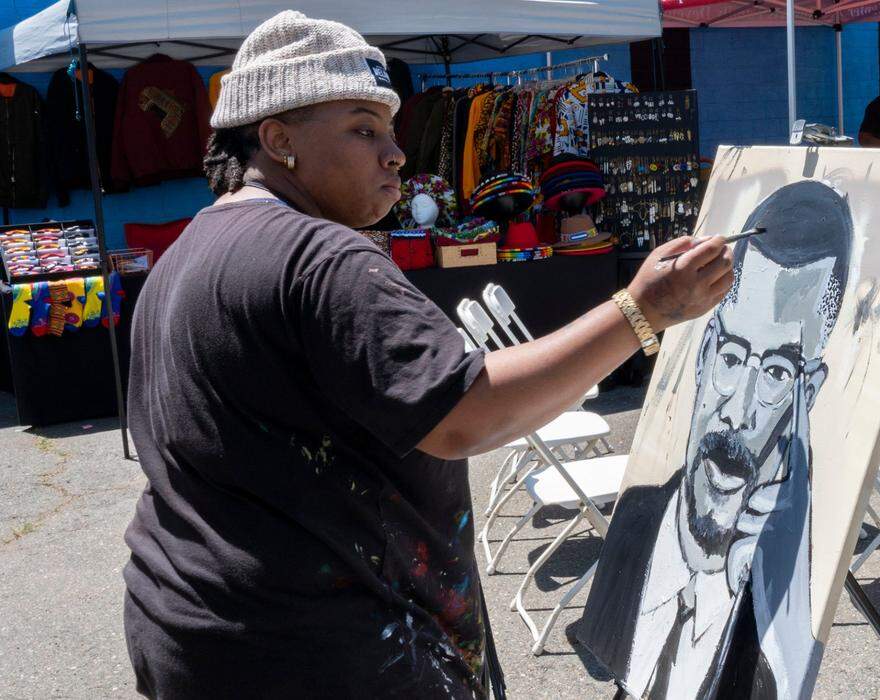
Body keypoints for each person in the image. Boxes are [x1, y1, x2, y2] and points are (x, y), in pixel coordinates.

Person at [121, 10, 734, 700]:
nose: (395, 154)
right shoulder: (321, 256)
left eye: (389, 129)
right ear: (277, 138)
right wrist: (644, 311)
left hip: (194, 629)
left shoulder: (188, 254)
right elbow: (469, 413)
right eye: (362, 128)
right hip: (318, 652)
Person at [579, 181, 852, 700]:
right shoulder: (635, 525)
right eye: (731, 358)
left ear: (807, 393)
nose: (739, 413)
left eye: (775, 372)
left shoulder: (780, 624)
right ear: (703, 356)